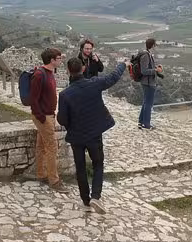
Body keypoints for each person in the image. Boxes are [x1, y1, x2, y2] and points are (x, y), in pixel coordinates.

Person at [57, 57, 129, 214]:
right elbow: (113, 77)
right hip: (94, 134)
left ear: (68, 71)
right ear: (83, 69)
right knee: (98, 164)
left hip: (76, 136)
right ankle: (95, 196)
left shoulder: (64, 95)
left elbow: (61, 119)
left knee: (81, 167)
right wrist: (123, 64)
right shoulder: (94, 83)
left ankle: (85, 199)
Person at [29, 47, 68, 192]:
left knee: (41, 146)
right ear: (51, 60)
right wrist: (41, 117)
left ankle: (41, 174)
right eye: (58, 59)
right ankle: (54, 180)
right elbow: (34, 99)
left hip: (48, 115)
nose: (60, 60)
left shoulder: (50, 72)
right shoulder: (40, 75)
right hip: (43, 116)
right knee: (52, 148)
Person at [138, 38, 162, 130]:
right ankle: (146, 124)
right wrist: (155, 70)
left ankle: (141, 122)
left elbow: (148, 67)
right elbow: (144, 71)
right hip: (148, 82)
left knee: (145, 102)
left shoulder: (147, 54)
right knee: (148, 103)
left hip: (148, 82)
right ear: (152, 45)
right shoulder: (146, 55)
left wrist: (156, 68)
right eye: (155, 45)